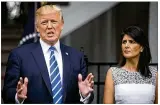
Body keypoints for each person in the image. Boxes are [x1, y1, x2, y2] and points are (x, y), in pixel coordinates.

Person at [2, 4, 94, 104]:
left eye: (54, 21)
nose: (49, 26)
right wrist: (17, 97)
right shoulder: (19, 55)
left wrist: (85, 95)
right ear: (37, 27)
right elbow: (7, 93)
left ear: (62, 24)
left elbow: (86, 91)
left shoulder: (77, 57)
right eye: (44, 22)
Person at [103, 26, 158, 104]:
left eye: (131, 42)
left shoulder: (154, 73)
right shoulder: (113, 73)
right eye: (124, 42)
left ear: (141, 47)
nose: (126, 46)